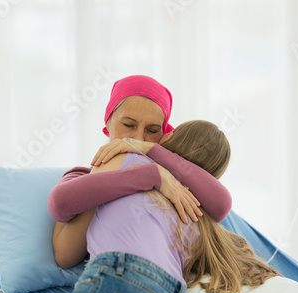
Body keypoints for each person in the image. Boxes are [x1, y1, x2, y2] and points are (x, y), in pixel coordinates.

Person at [50, 120, 280, 293]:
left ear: (169, 136)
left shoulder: (125, 158)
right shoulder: (198, 214)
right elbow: (221, 204)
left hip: (124, 276)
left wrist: (145, 150)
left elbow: (60, 207)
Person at [48, 75, 232, 269]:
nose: (136, 138)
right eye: (128, 125)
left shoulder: (175, 182)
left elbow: (222, 204)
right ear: (108, 121)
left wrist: (151, 151)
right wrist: (153, 176)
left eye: (152, 131)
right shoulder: (80, 175)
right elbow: (64, 255)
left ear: (165, 136)